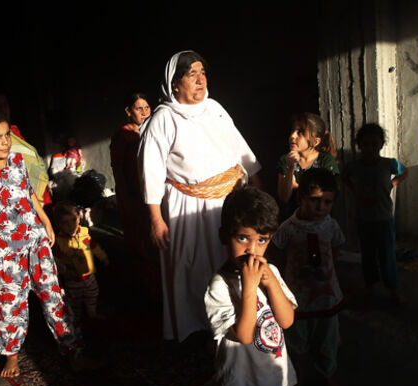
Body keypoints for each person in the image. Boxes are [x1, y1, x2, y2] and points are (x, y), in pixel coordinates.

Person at [139, 50, 262, 342]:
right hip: (186, 208)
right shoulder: (163, 119)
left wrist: (257, 185)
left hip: (228, 201)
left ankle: (236, 320)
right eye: (191, 74)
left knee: (230, 259)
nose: (199, 79)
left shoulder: (215, 108)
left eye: (202, 72)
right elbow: (151, 171)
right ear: (174, 83)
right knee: (191, 266)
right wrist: (156, 219)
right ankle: (194, 326)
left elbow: (241, 148)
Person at [0, 109, 87, 378]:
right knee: (9, 303)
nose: (5, 142)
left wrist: (45, 219)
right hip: (6, 251)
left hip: (37, 242)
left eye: (7, 135)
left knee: (54, 296)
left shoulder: (17, 161)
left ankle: (73, 351)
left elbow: (29, 193)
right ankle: (11, 355)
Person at [203, 185, 296, 386]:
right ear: (224, 236)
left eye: (262, 240)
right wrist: (251, 288)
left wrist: (271, 285)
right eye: (243, 238)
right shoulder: (219, 285)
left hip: (270, 382)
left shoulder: (272, 273)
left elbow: (287, 319)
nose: (252, 250)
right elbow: (243, 334)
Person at [271, 168, 345, 386]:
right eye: (314, 201)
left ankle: (327, 376)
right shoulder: (288, 229)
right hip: (297, 299)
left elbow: (336, 249)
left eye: (327, 202)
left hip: (326, 296)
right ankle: (297, 375)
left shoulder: (331, 225)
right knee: (295, 341)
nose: (321, 207)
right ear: (299, 198)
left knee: (327, 341)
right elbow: (276, 255)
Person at [342, 123, 408, 304]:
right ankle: (369, 287)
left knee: (387, 255)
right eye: (365, 144)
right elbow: (344, 176)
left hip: (384, 219)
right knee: (368, 255)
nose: (369, 148)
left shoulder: (389, 164)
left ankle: (393, 289)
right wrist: (354, 190)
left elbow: (404, 171)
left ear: (381, 145)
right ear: (359, 145)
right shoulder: (354, 166)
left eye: (374, 144)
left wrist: (393, 183)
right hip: (363, 219)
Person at [110, 92, 160, 302]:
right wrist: (127, 200)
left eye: (147, 108)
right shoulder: (123, 136)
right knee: (141, 245)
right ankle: (148, 294)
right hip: (134, 197)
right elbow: (118, 170)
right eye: (139, 109)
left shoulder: (152, 131)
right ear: (128, 112)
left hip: (153, 195)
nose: (144, 112)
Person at [52, 201, 109, 321]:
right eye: (65, 223)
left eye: (73, 220)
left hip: (89, 277)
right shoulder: (59, 242)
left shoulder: (84, 233)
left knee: (92, 296)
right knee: (75, 303)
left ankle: (92, 314)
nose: (71, 225)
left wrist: (103, 257)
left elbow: (94, 247)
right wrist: (64, 271)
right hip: (73, 281)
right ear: (59, 225)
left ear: (78, 218)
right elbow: (56, 260)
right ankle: (76, 320)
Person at [276, 112, 339, 217]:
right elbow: (284, 197)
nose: (292, 136)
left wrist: (297, 187)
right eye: (293, 130)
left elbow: (329, 193)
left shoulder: (325, 161)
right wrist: (291, 168)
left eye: (300, 132)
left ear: (315, 142)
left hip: (319, 220)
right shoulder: (286, 160)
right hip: (293, 219)